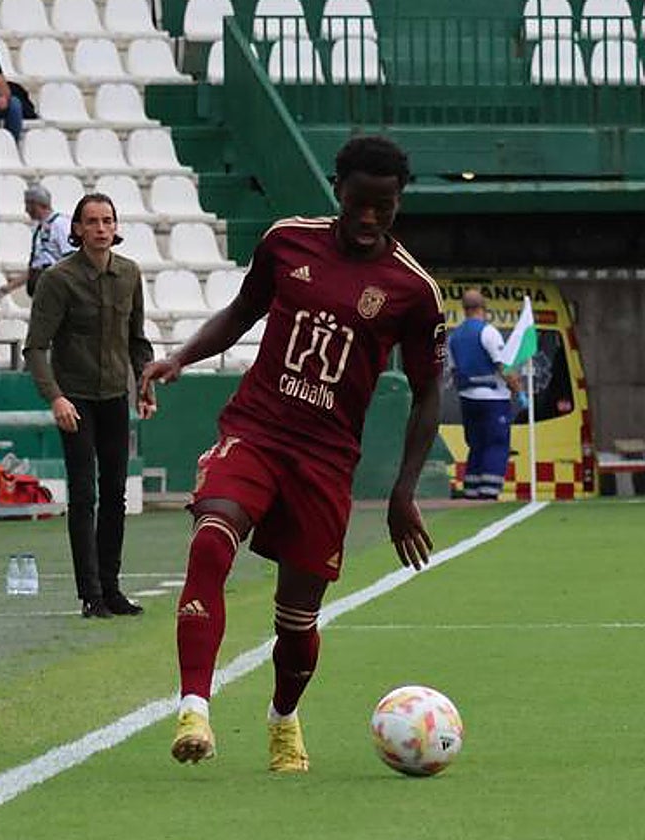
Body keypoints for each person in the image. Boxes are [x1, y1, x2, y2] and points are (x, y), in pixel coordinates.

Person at [140, 136, 446, 770]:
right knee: (210, 539)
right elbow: (241, 312)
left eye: (384, 206)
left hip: (326, 461)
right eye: (359, 202)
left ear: (398, 202)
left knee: (297, 619)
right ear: (338, 190)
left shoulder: (413, 290)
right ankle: (194, 707)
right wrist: (180, 357)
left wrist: (403, 492)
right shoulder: (287, 241)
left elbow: (426, 394)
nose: (369, 218)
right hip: (256, 430)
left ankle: (283, 717)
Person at [23, 194, 154, 619]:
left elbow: (137, 339)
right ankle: (90, 593)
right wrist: (55, 397)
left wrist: (145, 383)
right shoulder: (58, 279)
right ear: (77, 229)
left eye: (107, 221)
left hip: (115, 395)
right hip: (75, 398)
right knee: (84, 494)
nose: (101, 228)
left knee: (115, 493)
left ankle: (111, 588)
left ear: (115, 227)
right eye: (92, 221)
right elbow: (35, 347)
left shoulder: (130, 274)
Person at [447, 289, 520, 500]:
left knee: (476, 445)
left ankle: (471, 491)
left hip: (467, 399)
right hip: (493, 399)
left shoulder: (454, 337)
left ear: (464, 309)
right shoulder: (488, 332)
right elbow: (503, 365)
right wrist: (516, 387)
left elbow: (453, 370)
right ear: (483, 308)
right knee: (496, 445)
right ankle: (489, 492)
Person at [0, 184, 75, 300]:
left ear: (37, 204)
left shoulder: (60, 224)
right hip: (42, 291)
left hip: (55, 290)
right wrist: (8, 288)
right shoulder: (39, 228)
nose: (26, 210)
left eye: (28, 204)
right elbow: (37, 266)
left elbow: (71, 258)